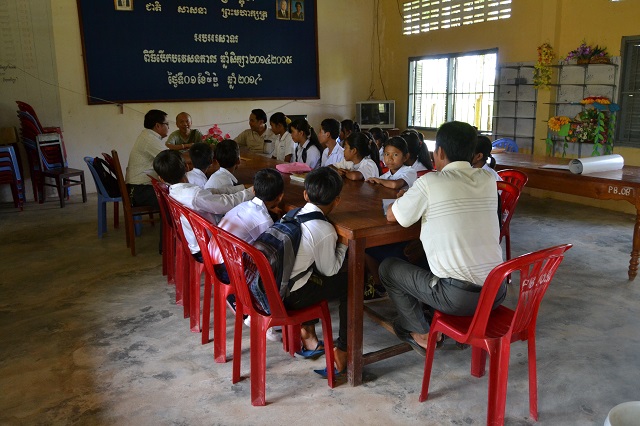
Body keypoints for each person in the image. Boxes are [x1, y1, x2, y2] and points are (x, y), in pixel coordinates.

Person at [379, 121, 506, 356]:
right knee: (421, 254)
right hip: (495, 293)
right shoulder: (488, 180)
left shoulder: (430, 182)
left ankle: (421, 332)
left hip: (458, 299)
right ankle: (428, 315)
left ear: (439, 152)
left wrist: (408, 197)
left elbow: (393, 216)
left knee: (388, 267)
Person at [281, 167, 349, 376]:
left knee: (310, 271)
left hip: (275, 289)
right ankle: (344, 349)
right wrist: (344, 245)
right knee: (350, 282)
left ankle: (307, 332)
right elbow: (330, 270)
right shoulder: (324, 229)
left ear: (305, 194)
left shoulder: (290, 215)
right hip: (292, 297)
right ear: (337, 200)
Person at [211, 168, 285, 341]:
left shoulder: (244, 205)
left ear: (254, 189)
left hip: (214, 258)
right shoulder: (264, 220)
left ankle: (245, 306)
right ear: (280, 197)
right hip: (228, 268)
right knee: (274, 266)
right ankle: (263, 314)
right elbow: (270, 254)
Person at [152, 150, 253, 259]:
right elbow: (226, 204)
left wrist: (241, 188)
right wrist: (251, 192)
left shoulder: (174, 191)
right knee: (251, 226)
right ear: (187, 167)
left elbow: (210, 192)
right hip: (206, 247)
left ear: (161, 179)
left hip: (194, 242)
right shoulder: (194, 196)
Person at [125, 109, 168, 210]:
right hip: (139, 191)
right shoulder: (149, 139)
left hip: (139, 188)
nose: (168, 127)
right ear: (158, 125)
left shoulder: (148, 136)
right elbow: (170, 158)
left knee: (174, 193)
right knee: (174, 199)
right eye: (167, 124)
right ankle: (168, 226)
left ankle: (169, 225)